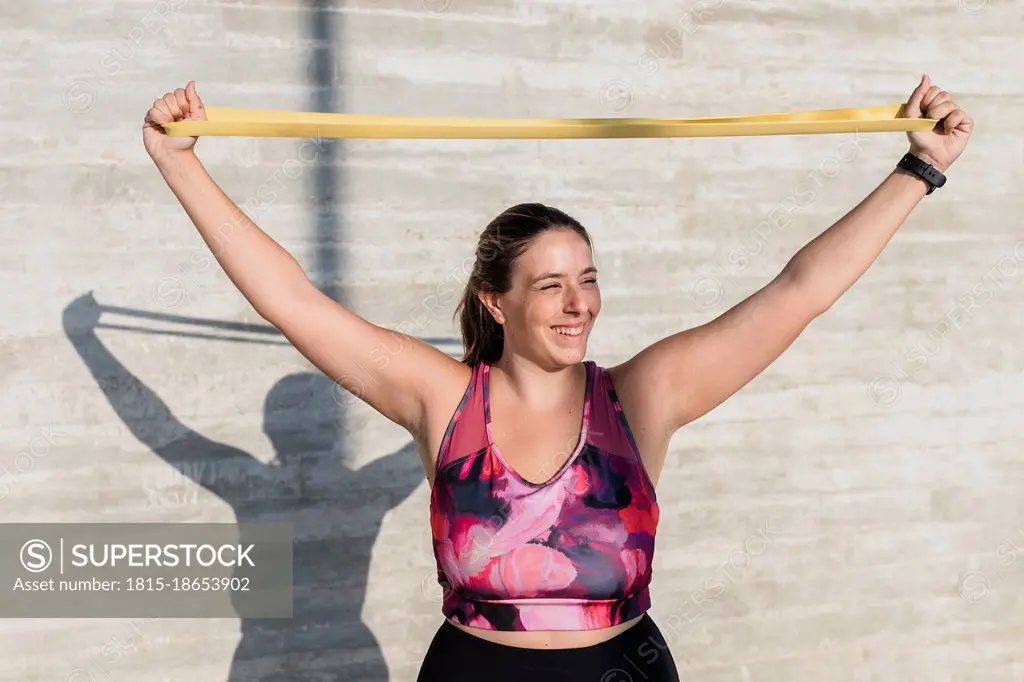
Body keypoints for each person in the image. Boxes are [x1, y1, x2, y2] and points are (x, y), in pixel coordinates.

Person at [142, 75, 972, 682]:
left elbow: (799, 293)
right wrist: (180, 164)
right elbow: (292, 299)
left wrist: (919, 171)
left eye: (588, 278)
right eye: (549, 285)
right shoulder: (442, 397)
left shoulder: (643, 396)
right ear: (494, 304)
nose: (579, 304)